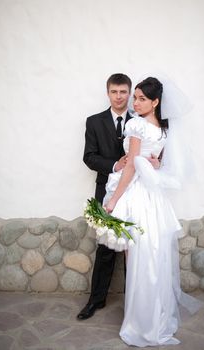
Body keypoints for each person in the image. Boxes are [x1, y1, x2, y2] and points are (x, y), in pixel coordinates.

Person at [102, 77, 202, 346]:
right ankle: (152, 317)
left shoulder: (136, 125)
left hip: (136, 195)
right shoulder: (162, 129)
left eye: (141, 99)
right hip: (154, 199)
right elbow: (156, 162)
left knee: (137, 259)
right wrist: (156, 164)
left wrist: (113, 200)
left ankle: (139, 322)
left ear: (156, 101)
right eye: (135, 97)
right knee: (152, 257)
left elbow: (132, 167)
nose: (135, 102)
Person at [77, 73, 161, 320]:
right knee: (105, 247)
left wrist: (154, 163)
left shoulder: (141, 119)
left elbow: (149, 154)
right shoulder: (94, 122)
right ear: (108, 93)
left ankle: (132, 305)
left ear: (129, 93)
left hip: (136, 192)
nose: (120, 96)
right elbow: (89, 157)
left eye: (124, 92)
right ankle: (95, 301)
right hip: (107, 188)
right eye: (114, 92)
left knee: (133, 247)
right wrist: (115, 164)